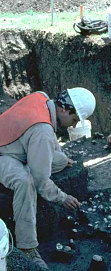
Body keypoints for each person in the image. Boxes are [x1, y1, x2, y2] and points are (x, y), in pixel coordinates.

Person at [0, 88, 96, 270]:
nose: (74, 125)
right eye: (75, 120)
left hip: (16, 144)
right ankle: (27, 246)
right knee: (25, 181)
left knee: (60, 160)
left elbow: (48, 135)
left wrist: (59, 154)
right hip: (3, 154)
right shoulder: (42, 130)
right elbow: (40, 181)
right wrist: (62, 197)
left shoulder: (42, 97)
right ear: (64, 110)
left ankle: (32, 162)